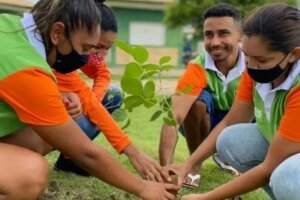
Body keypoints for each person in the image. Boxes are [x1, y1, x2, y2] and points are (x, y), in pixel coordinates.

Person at [0, 0, 178, 199]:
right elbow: (86, 153)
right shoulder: (26, 67)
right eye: (86, 48)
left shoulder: (10, 27)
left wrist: (56, 97)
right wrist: (142, 187)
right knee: (31, 174)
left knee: (47, 132)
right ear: (58, 33)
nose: (87, 57)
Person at [172, 3, 300, 200]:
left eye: (262, 60)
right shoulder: (255, 68)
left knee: (287, 177)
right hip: (287, 149)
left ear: (293, 54)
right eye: (247, 56)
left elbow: (269, 167)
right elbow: (229, 121)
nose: (250, 66)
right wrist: (189, 164)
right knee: (231, 139)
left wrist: (207, 197)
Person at [53, 0, 167, 181]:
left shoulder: (78, 58)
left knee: (111, 94)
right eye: (95, 46)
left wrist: (94, 98)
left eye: (108, 49)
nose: (101, 54)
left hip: (63, 110)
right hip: (37, 123)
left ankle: (69, 159)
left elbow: (102, 76)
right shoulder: (52, 58)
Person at [159, 3, 244, 188]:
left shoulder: (255, 63)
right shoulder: (197, 66)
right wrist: (164, 171)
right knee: (196, 103)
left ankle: (228, 156)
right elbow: (174, 118)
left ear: (240, 35)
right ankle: (195, 166)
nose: (214, 42)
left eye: (223, 33)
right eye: (208, 35)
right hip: (207, 123)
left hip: (242, 122)